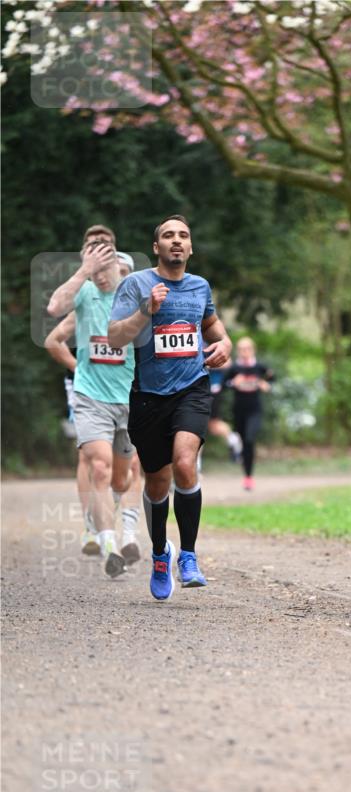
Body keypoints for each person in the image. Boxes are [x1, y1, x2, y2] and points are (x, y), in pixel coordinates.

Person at [108, 215, 232, 600]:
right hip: (148, 397)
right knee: (157, 483)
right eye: (168, 236)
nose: (176, 241)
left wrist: (225, 343)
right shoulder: (136, 284)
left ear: (190, 247)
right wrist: (146, 309)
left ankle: (189, 556)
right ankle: (161, 553)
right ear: (156, 247)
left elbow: (212, 326)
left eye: (183, 236)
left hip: (192, 388)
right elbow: (114, 338)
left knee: (184, 463)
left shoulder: (200, 287)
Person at [46, 227, 140, 577]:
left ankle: (106, 518)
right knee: (97, 466)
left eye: (104, 269)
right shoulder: (85, 291)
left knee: (122, 479)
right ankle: (109, 545)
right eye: (94, 270)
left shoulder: (133, 292)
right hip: (91, 397)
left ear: (116, 263)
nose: (100, 277)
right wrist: (84, 271)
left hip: (129, 399)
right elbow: (54, 307)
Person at [221, 337, 273, 491]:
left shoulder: (259, 367)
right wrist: (233, 383)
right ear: (238, 351)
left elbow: (272, 378)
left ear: (253, 350)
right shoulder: (234, 368)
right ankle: (246, 474)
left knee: (250, 440)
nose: (244, 352)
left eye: (247, 348)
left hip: (255, 410)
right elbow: (223, 385)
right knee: (244, 442)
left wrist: (266, 385)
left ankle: (249, 477)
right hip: (239, 412)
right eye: (241, 349)